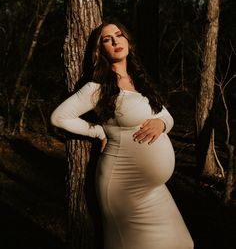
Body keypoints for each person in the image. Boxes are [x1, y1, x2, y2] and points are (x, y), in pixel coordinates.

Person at [51, 19, 194, 249]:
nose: (116, 41)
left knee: (182, 243)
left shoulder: (141, 82)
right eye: (108, 39)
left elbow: (167, 116)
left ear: (128, 42)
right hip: (123, 187)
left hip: (153, 189)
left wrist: (162, 125)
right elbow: (59, 118)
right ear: (101, 50)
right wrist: (98, 131)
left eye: (119, 35)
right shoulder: (98, 88)